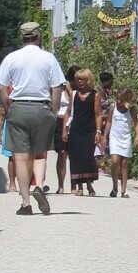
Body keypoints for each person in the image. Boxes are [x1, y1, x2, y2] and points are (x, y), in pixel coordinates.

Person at [0, 21, 65, 216]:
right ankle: (39, 185)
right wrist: (54, 111)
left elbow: (1, 87)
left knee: (20, 156)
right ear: (39, 36)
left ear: (22, 36)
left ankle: (26, 203)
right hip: (42, 107)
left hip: (18, 106)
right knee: (40, 153)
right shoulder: (48, 58)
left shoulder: (11, 58)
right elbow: (57, 87)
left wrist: (7, 107)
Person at [64, 68, 102, 196]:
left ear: (88, 80)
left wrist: (98, 131)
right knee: (76, 158)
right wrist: (64, 130)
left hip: (89, 130)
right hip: (75, 130)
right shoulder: (74, 94)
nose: (79, 82)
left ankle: (89, 184)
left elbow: (98, 114)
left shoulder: (95, 94)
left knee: (88, 158)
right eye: (77, 79)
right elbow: (68, 112)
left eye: (82, 79)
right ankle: (79, 186)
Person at [103, 87, 138, 198]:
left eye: (121, 99)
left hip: (126, 138)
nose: (118, 101)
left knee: (124, 163)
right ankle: (115, 187)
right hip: (114, 137)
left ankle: (124, 190)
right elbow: (109, 122)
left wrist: (137, 136)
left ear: (126, 99)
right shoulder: (113, 107)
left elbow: (136, 123)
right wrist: (105, 136)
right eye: (118, 99)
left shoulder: (132, 109)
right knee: (115, 161)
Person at [54, 65, 79, 193]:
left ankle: (74, 185)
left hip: (75, 122)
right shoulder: (61, 89)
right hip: (60, 121)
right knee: (62, 153)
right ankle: (61, 185)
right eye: (75, 79)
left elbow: (75, 105)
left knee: (74, 155)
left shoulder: (79, 92)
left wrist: (71, 92)